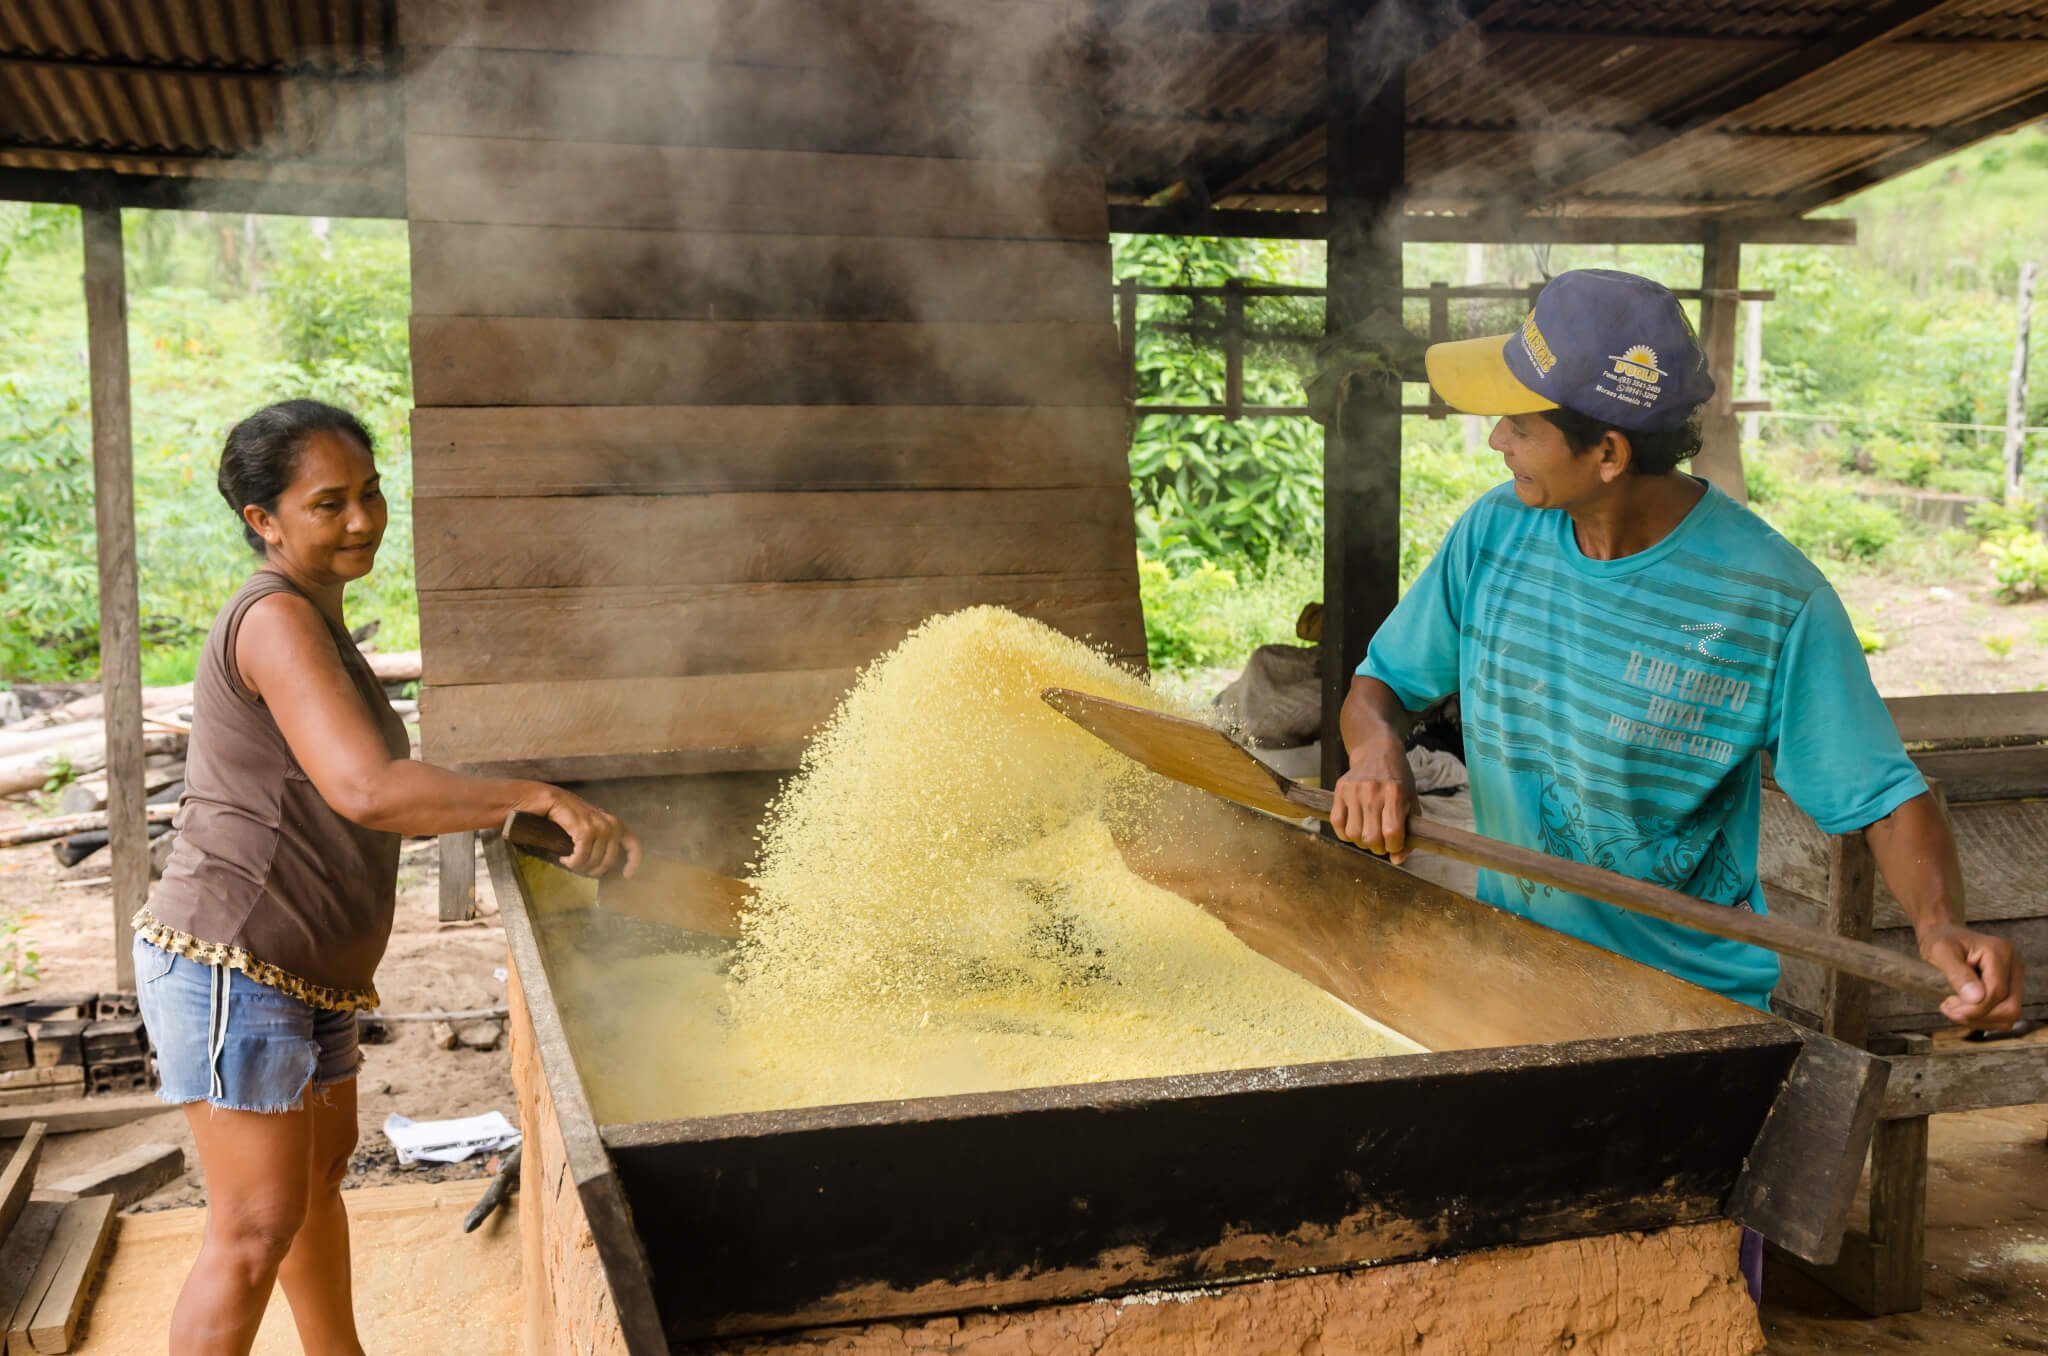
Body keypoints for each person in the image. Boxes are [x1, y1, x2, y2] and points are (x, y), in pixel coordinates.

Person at [1329, 269, 2021, 1029]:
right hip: (1516, 968)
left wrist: (1940, 926)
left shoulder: (1771, 597)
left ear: (1609, 454)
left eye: (1520, 426)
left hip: (1687, 1009)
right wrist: (1375, 753)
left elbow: (1883, 799)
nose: (1497, 440)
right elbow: (1380, 687)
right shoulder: (1496, 532)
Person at [131, 400, 641, 1356]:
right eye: (329, 503)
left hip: (301, 972)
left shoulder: (317, 620)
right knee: (251, 1233)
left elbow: (372, 787)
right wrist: (533, 794)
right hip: (234, 964)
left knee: (312, 1189)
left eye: (370, 493)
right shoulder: (275, 619)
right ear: (263, 520)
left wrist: (520, 814)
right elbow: (367, 788)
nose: (363, 519)